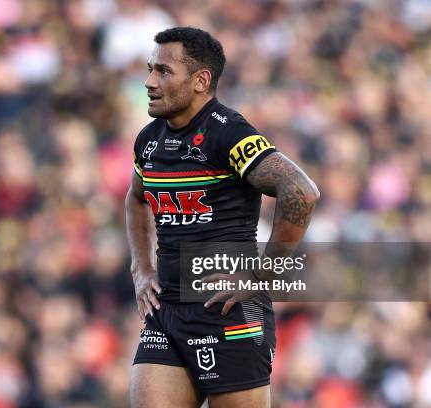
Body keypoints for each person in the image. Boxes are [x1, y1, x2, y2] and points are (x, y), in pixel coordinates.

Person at [125, 27, 320, 408]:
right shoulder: (148, 140)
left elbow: (301, 190)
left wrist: (263, 273)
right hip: (167, 312)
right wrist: (141, 267)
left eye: (163, 71)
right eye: (150, 69)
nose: (149, 81)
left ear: (201, 80)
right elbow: (136, 198)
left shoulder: (227, 133)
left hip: (228, 313)